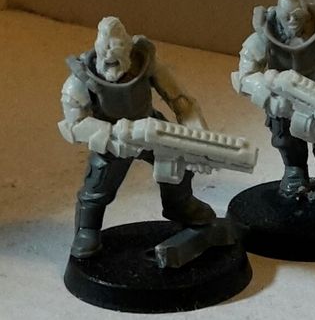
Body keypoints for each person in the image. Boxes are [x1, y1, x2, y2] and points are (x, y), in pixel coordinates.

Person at [58, 17, 215, 258]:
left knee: (179, 162)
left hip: (150, 126)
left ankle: (179, 205)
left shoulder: (147, 65)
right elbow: (74, 124)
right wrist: (111, 136)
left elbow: (180, 100)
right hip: (113, 138)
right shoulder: (80, 80)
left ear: (129, 50)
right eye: (104, 54)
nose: (110, 61)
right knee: (98, 186)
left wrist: (197, 137)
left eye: (117, 54)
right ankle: (87, 229)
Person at [232, 0, 315, 199]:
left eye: (298, 17)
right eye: (286, 17)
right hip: (283, 98)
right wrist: (269, 98)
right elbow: (244, 76)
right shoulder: (264, 34)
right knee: (286, 139)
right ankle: (295, 171)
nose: (292, 22)